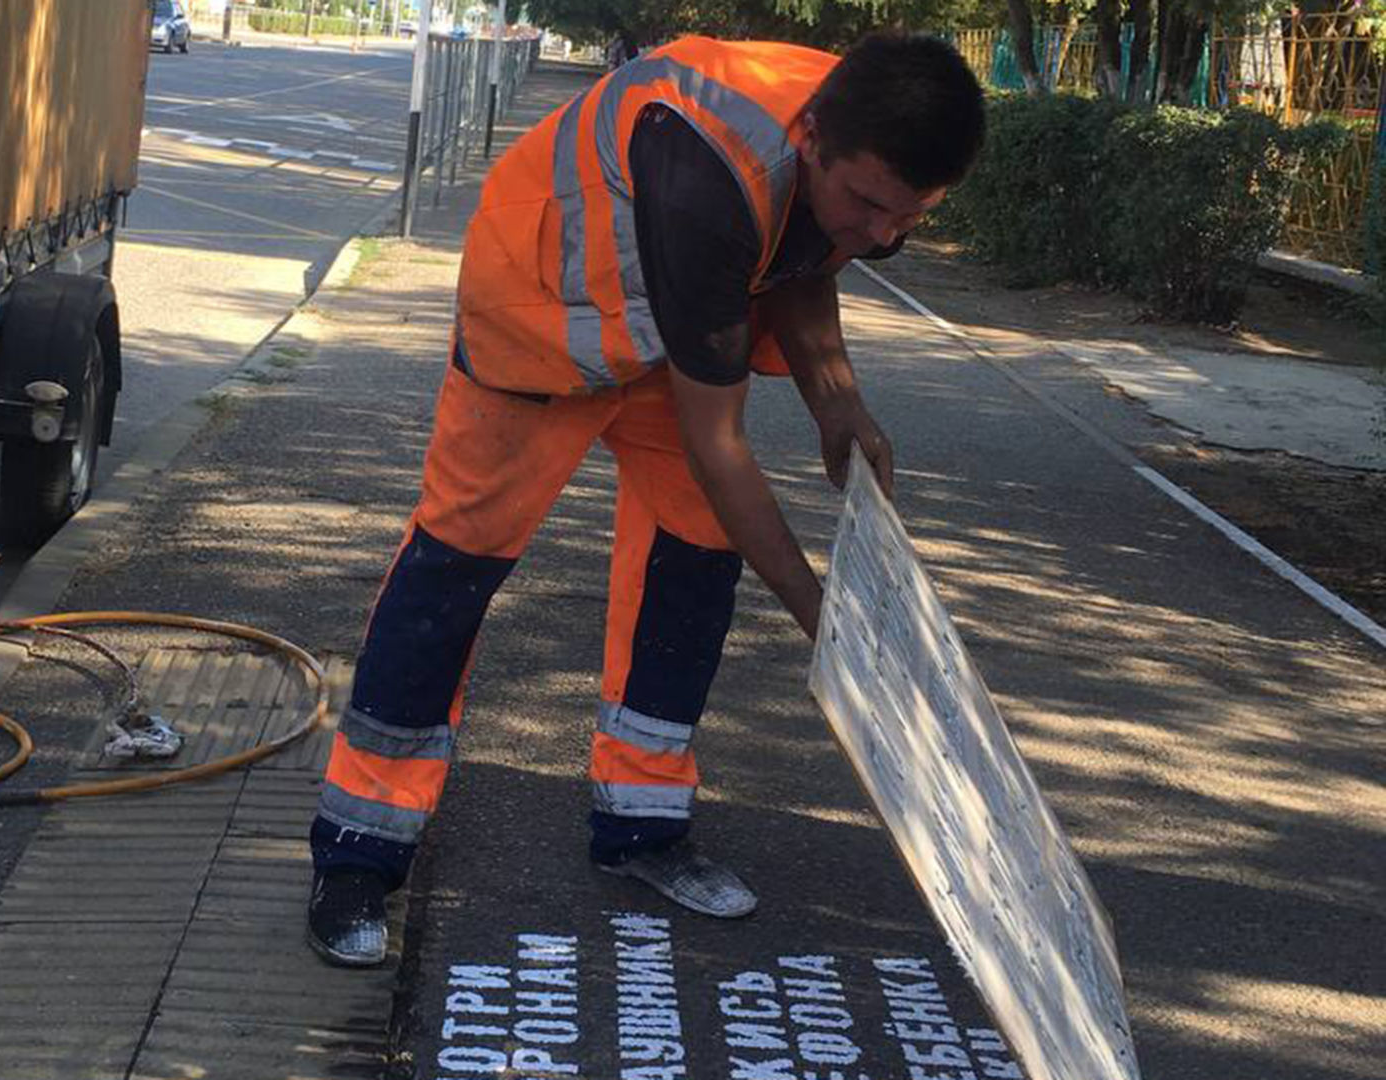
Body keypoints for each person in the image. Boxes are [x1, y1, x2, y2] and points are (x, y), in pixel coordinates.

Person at [306, 33, 985, 967]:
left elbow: (803, 252)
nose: (881, 236)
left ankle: (643, 827)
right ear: (813, 136)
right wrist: (826, 618)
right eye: (867, 205)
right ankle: (359, 849)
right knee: (453, 569)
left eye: (909, 218)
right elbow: (719, 446)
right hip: (540, 321)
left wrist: (838, 399)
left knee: (693, 566)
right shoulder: (706, 162)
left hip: (670, 343)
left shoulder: (853, 135)